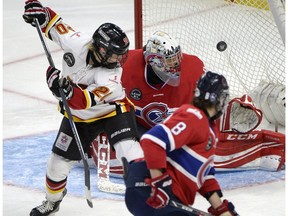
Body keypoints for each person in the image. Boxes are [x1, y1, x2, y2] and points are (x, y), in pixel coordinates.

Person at [23, 1, 144, 215]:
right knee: (56, 165)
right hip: (78, 118)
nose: (119, 60)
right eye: (115, 54)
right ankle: (53, 200)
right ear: (100, 48)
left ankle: (148, 196)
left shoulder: (112, 77)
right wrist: (39, 12)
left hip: (112, 111)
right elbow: (53, 24)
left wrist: (61, 90)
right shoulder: (77, 42)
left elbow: (85, 100)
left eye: (121, 54)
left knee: (129, 150)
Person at [123, 71, 239, 216]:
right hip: (147, 188)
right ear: (217, 98)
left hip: (168, 197)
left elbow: (205, 176)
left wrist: (221, 209)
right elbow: (152, 140)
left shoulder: (211, 131)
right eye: (223, 98)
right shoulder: (194, 116)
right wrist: (159, 184)